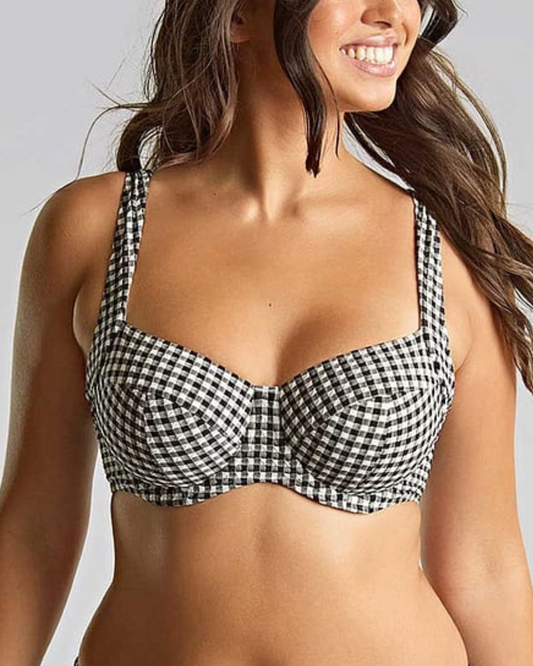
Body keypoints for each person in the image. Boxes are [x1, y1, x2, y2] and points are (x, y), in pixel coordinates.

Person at [1, 0, 533, 664]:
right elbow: (34, 532)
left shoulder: (450, 250)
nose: (391, 12)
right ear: (236, 17)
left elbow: (483, 562)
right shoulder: (94, 230)